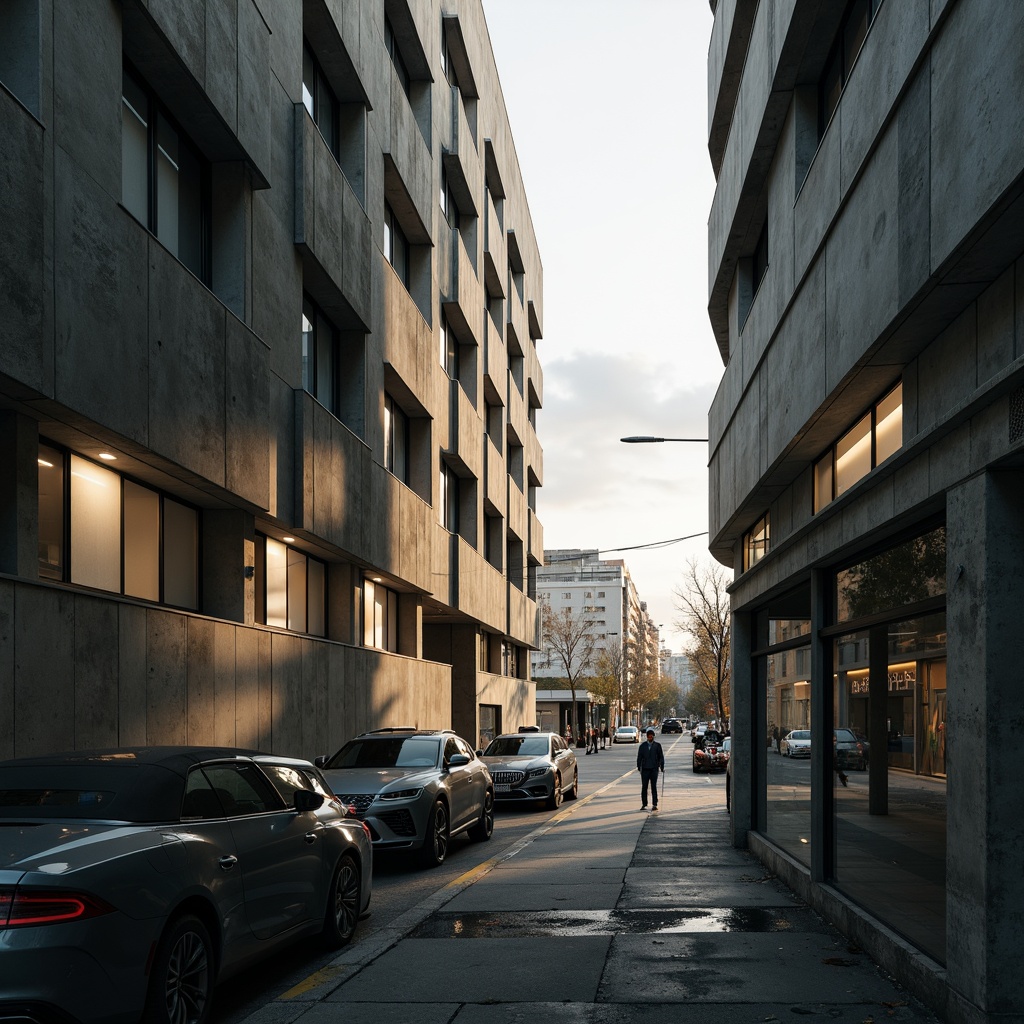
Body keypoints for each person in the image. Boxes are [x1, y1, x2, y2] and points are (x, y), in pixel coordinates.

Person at [636, 727, 665, 811]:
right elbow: (639, 757)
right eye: (648, 736)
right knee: (644, 787)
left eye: (651, 736)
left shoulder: (657, 746)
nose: (650, 738)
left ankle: (654, 804)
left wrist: (662, 766)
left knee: (653, 787)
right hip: (645, 769)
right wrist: (639, 766)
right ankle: (644, 804)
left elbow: (661, 757)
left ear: (653, 736)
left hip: (654, 769)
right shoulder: (643, 746)